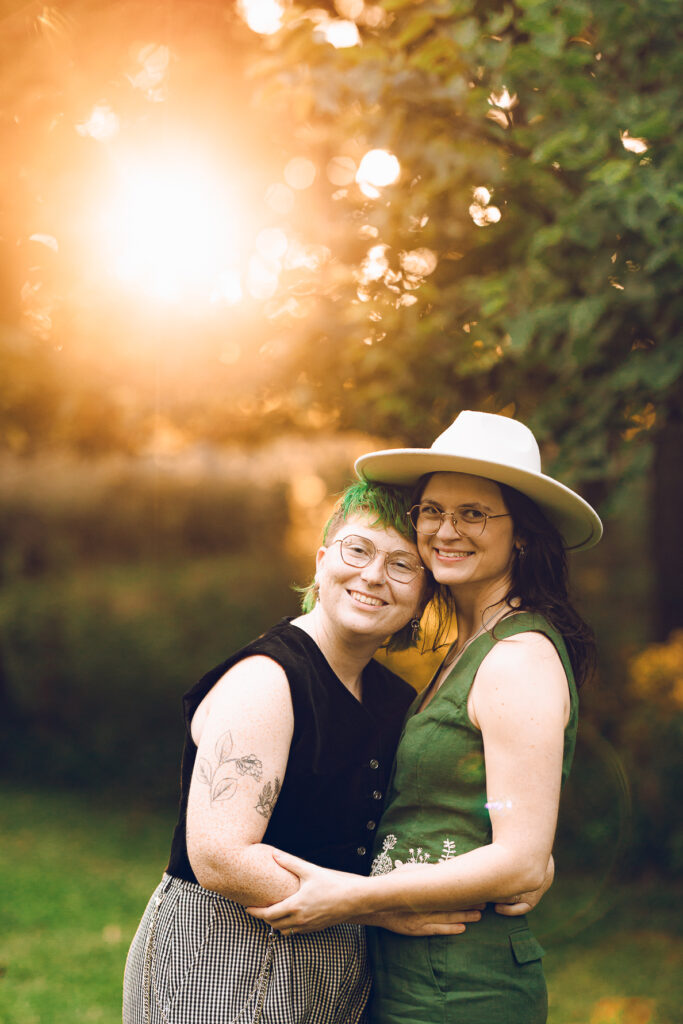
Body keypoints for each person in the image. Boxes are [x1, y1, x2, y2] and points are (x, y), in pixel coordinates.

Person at [248, 410, 602, 1024]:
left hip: (463, 985)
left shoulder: (518, 657)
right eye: (433, 510)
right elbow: (499, 825)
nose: (445, 530)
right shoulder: (469, 644)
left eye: (473, 513)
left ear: (521, 532)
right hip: (406, 971)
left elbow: (518, 857)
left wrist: (351, 898)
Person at [123, 479, 497, 1024]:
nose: (372, 575)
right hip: (217, 956)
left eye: (401, 565)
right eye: (358, 549)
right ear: (322, 562)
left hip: (333, 963)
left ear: (423, 595)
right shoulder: (268, 680)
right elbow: (219, 857)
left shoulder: (395, 701)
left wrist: (515, 861)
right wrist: (384, 907)